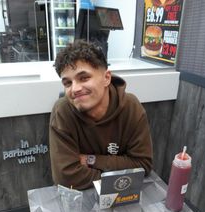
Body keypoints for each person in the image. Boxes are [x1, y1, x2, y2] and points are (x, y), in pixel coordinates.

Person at [49, 40, 153, 190]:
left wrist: (91, 160)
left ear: (106, 78)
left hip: (124, 195)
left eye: (84, 78)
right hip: (79, 199)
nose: (75, 89)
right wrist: (118, 174)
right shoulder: (62, 112)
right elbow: (66, 177)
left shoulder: (131, 107)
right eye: (67, 83)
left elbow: (142, 165)